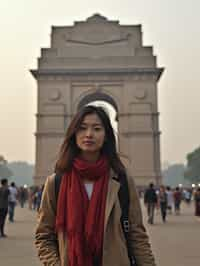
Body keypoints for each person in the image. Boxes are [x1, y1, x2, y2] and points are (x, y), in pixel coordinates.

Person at [35, 105, 156, 266]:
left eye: (97, 129)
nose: (89, 134)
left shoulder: (122, 181)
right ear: (73, 133)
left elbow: (137, 235)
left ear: (106, 135)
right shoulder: (55, 183)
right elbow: (44, 236)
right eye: (82, 128)